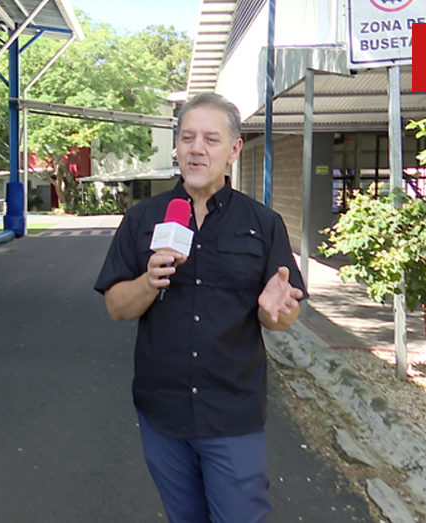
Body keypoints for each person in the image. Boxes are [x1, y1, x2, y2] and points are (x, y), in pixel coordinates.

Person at [94, 92, 307, 523]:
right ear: (176, 147)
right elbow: (117, 306)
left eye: (211, 139)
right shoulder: (143, 219)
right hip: (163, 412)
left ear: (234, 150)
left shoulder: (263, 224)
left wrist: (274, 312)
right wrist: (149, 282)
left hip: (233, 412)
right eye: (187, 137)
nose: (197, 148)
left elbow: (282, 315)